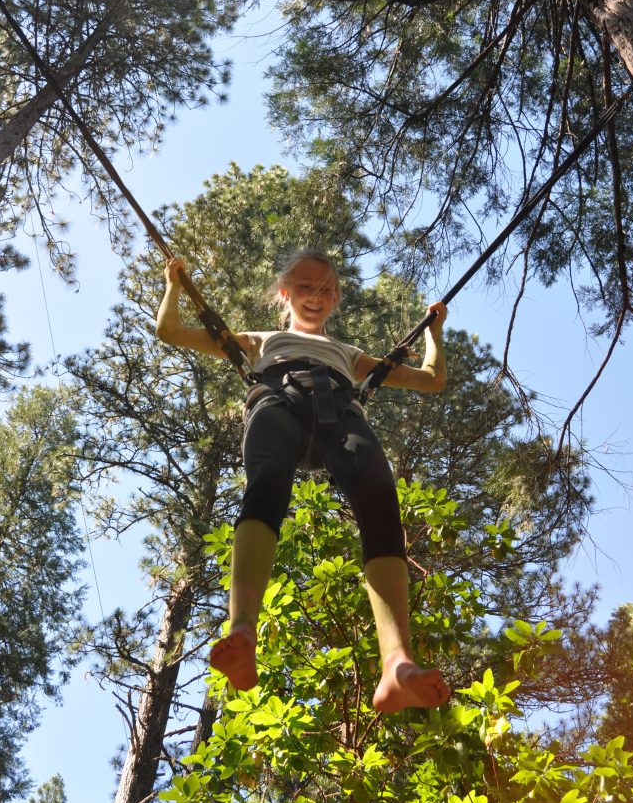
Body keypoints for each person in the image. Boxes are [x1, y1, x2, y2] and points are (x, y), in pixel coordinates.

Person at [156, 250, 450, 714]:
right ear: (285, 294)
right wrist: (174, 284)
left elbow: (431, 380)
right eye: (305, 287)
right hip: (278, 404)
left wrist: (434, 334)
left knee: (379, 499)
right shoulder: (259, 339)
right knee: (267, 484)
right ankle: (243, 631)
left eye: (324, 289)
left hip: (342, 416)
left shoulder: (351, 356)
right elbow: (169, 331)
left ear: (335, 298)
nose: (315, 296)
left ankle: (397, 664)